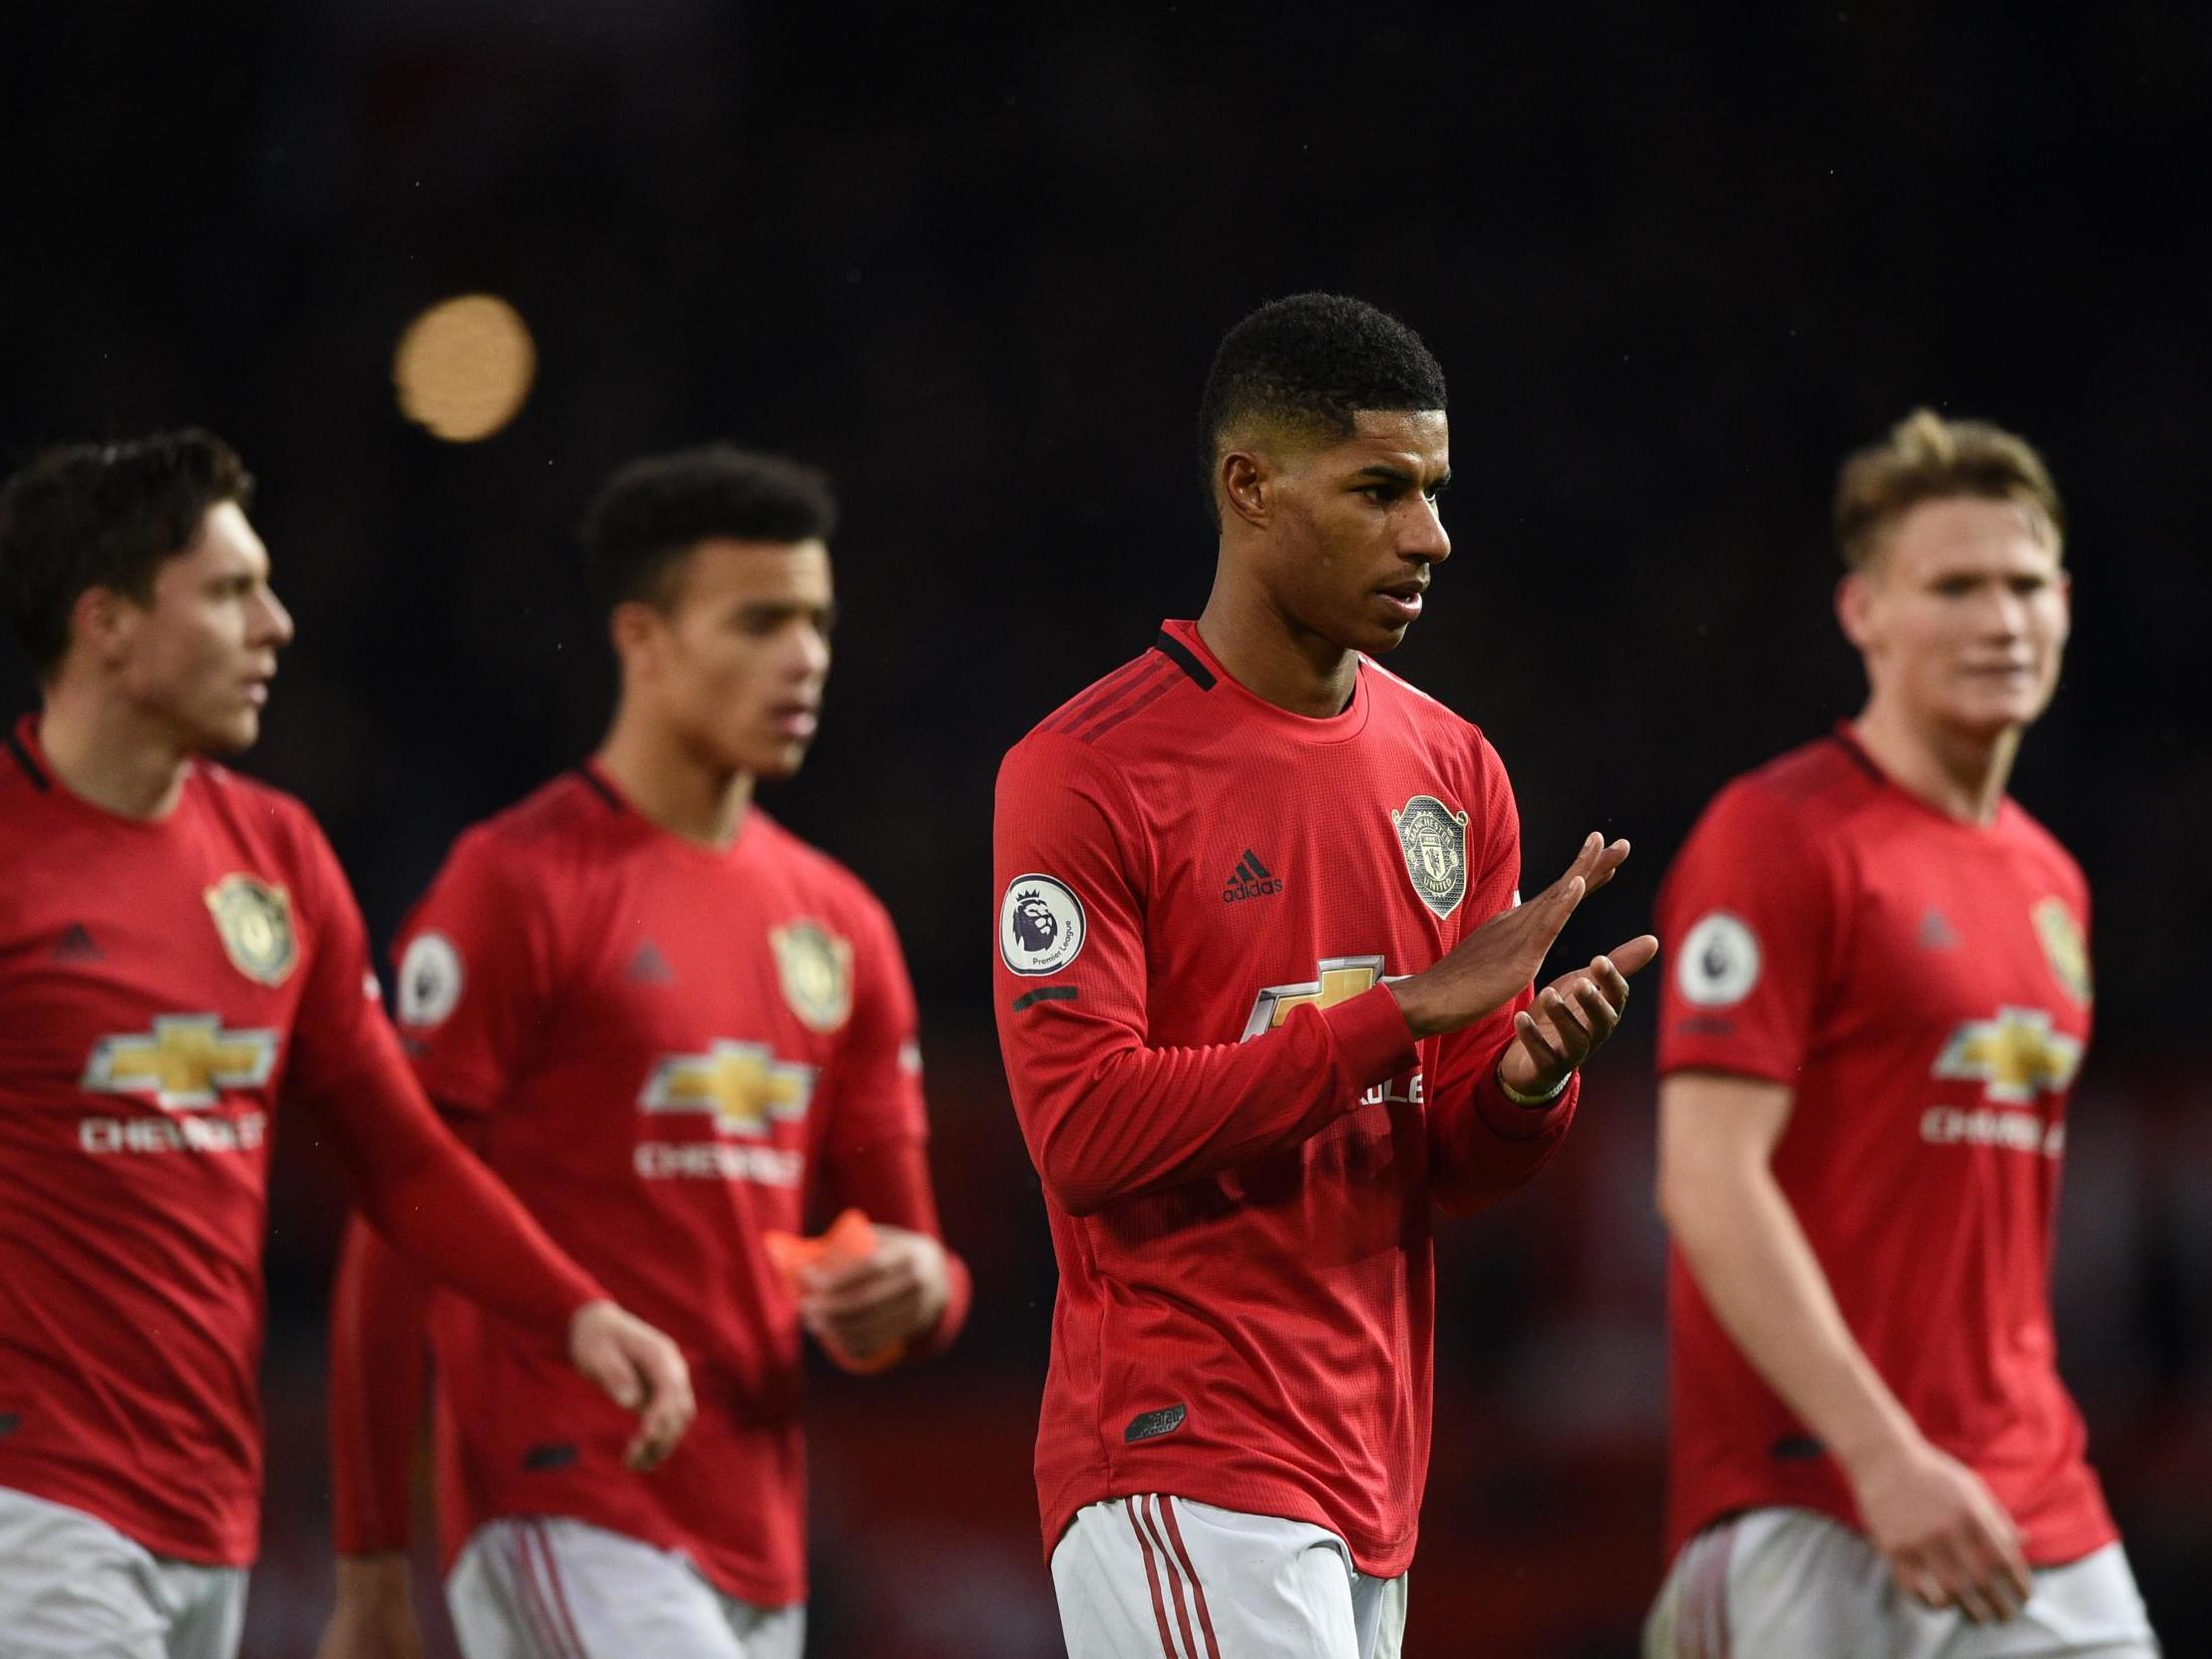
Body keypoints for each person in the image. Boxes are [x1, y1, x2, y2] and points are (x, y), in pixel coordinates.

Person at [991, 292, 1656, 1659]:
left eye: (1433, 491)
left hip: (1368, 1467)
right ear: (1250, 487)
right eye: (1379, 489)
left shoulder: (1451, 769)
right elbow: (1082, 1130)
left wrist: (1528, 1079)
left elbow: (1450, 1158)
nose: (1430, 534)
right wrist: (1402, 1010)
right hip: (1179, 1445)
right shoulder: (1086, 767)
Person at [0, 430, 693, 1659]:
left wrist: (577, 1311)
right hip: (32, 1507)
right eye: (227, 592)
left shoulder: (277, 859)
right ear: (103, 622)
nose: (276, 624)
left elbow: (405, 1164)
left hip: (209, 1505)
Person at [317, 445, 971, 1659]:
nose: (807, 656)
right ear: (643, 638)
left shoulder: (840, 927)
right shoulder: (513, 886)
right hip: (563, 1491)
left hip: (757, 1525)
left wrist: (922, 1290)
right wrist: (367, 1566)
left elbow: (910, 1247)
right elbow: (394, 1215)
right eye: (761, 620)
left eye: (819, 620)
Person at [1645, 411, 2160, 1656]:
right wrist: (1882, 1456)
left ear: (2067, 604)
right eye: (1955, 586)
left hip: (2032, 1498)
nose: (1999, 619)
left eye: (2025, 584)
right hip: (1808, 1500)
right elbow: (1704, 1180)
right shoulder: (1777, 837)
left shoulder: (2052, 884)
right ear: (1863, 612)